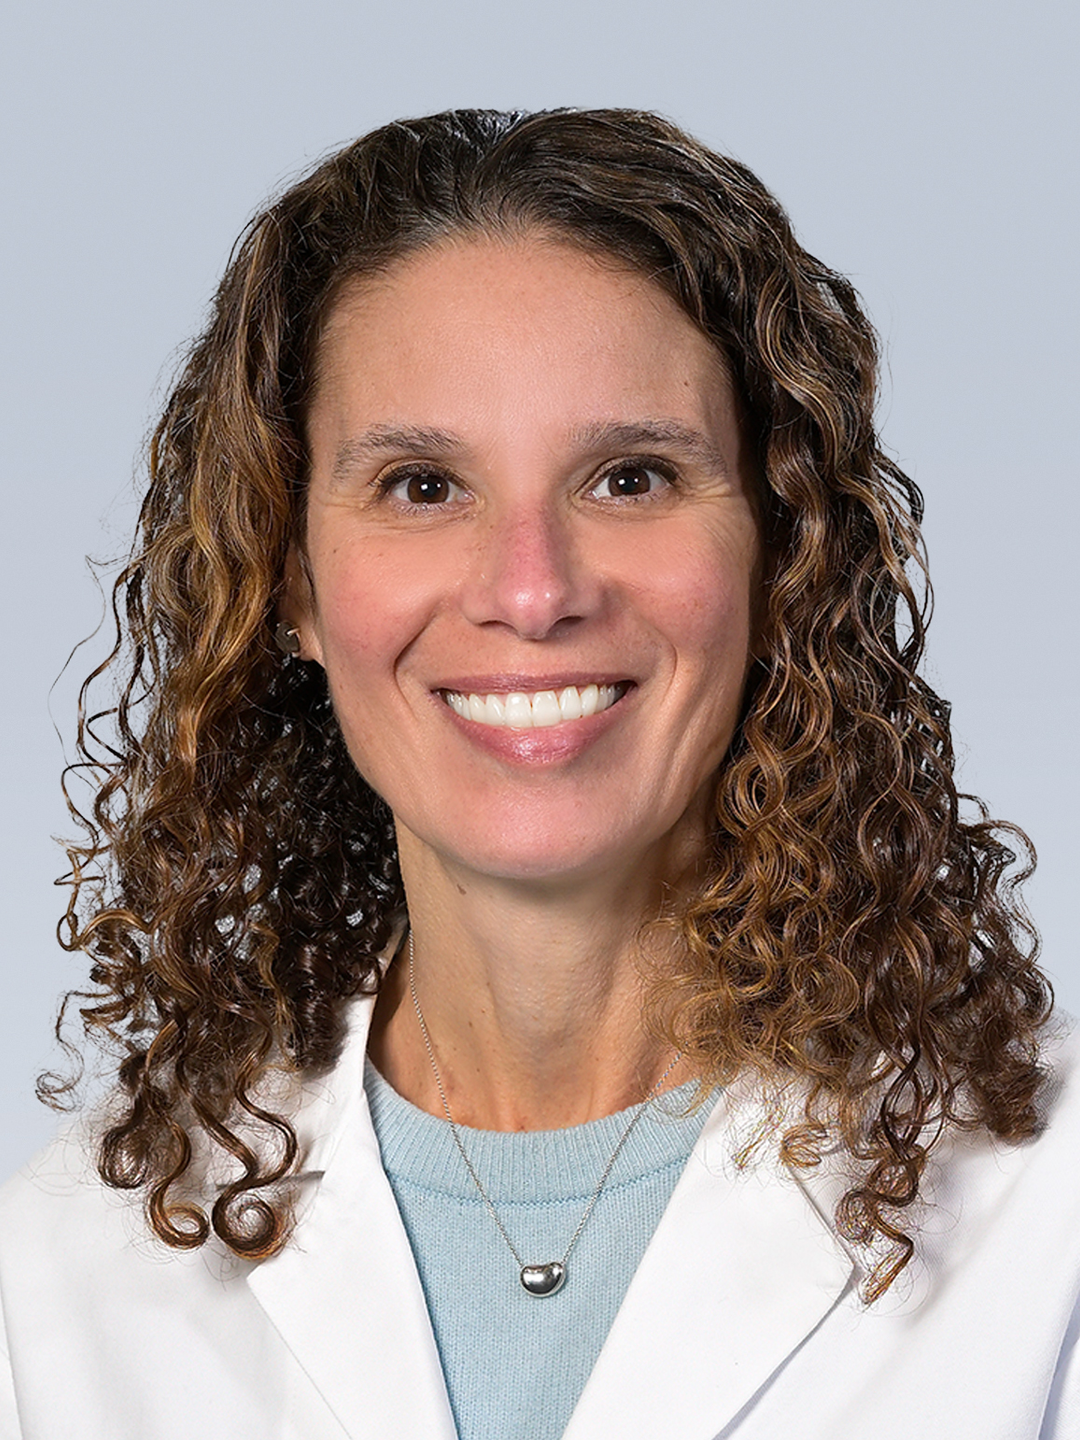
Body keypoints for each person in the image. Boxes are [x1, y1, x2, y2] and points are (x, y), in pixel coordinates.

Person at [0, 107, 1075, 1440]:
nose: (531, 590)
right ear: (291, 584)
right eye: (420, 486)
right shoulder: (66, 1280)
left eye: (629, 478)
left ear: (779, 554)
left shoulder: (1050, 1219)